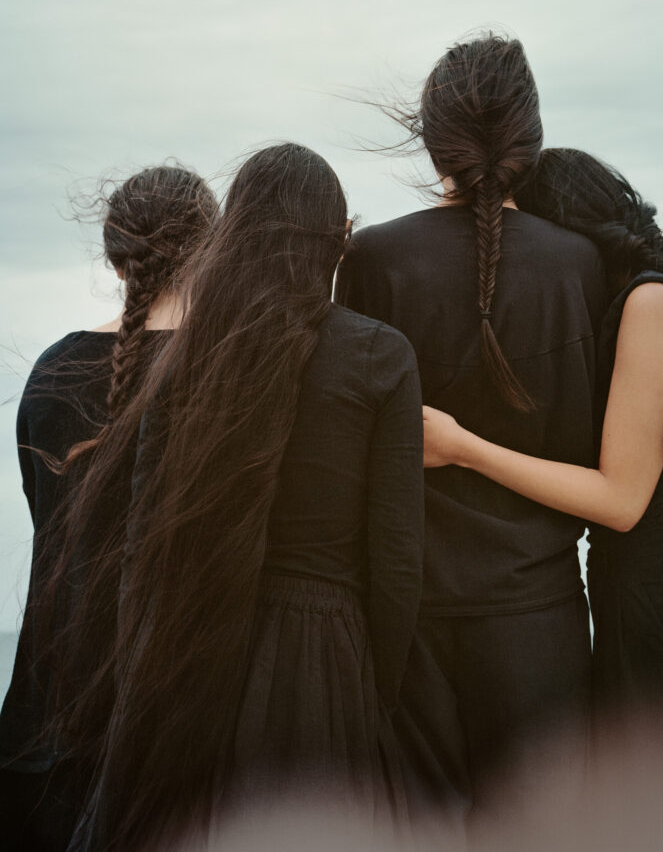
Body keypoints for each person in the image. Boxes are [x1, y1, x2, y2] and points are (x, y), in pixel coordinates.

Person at [67, 143, 425, 852]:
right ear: (337, 242)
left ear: (233, 239)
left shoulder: (183, 356)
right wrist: (368, 688)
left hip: (190, 642)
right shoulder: (382, 355)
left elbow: (142, 544)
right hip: (325, 656)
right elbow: (397, 560)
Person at [421, 148, 663, 803]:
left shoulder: (654, 302)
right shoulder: (656, 292)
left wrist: (464, 447)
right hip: (649, 602)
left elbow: (621, 499)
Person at [335, 35, 609, 822]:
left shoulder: (372, 258)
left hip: (406, 612)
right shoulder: (581, 265)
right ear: (532, 138)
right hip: (542, 613)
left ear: (433, 140)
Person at [0, 165, 217, 852]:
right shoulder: (221, 370)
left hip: (52, 693)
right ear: (212, 249)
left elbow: (48, 517)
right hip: (176, 695)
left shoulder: (53, 370)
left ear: (114, 257)